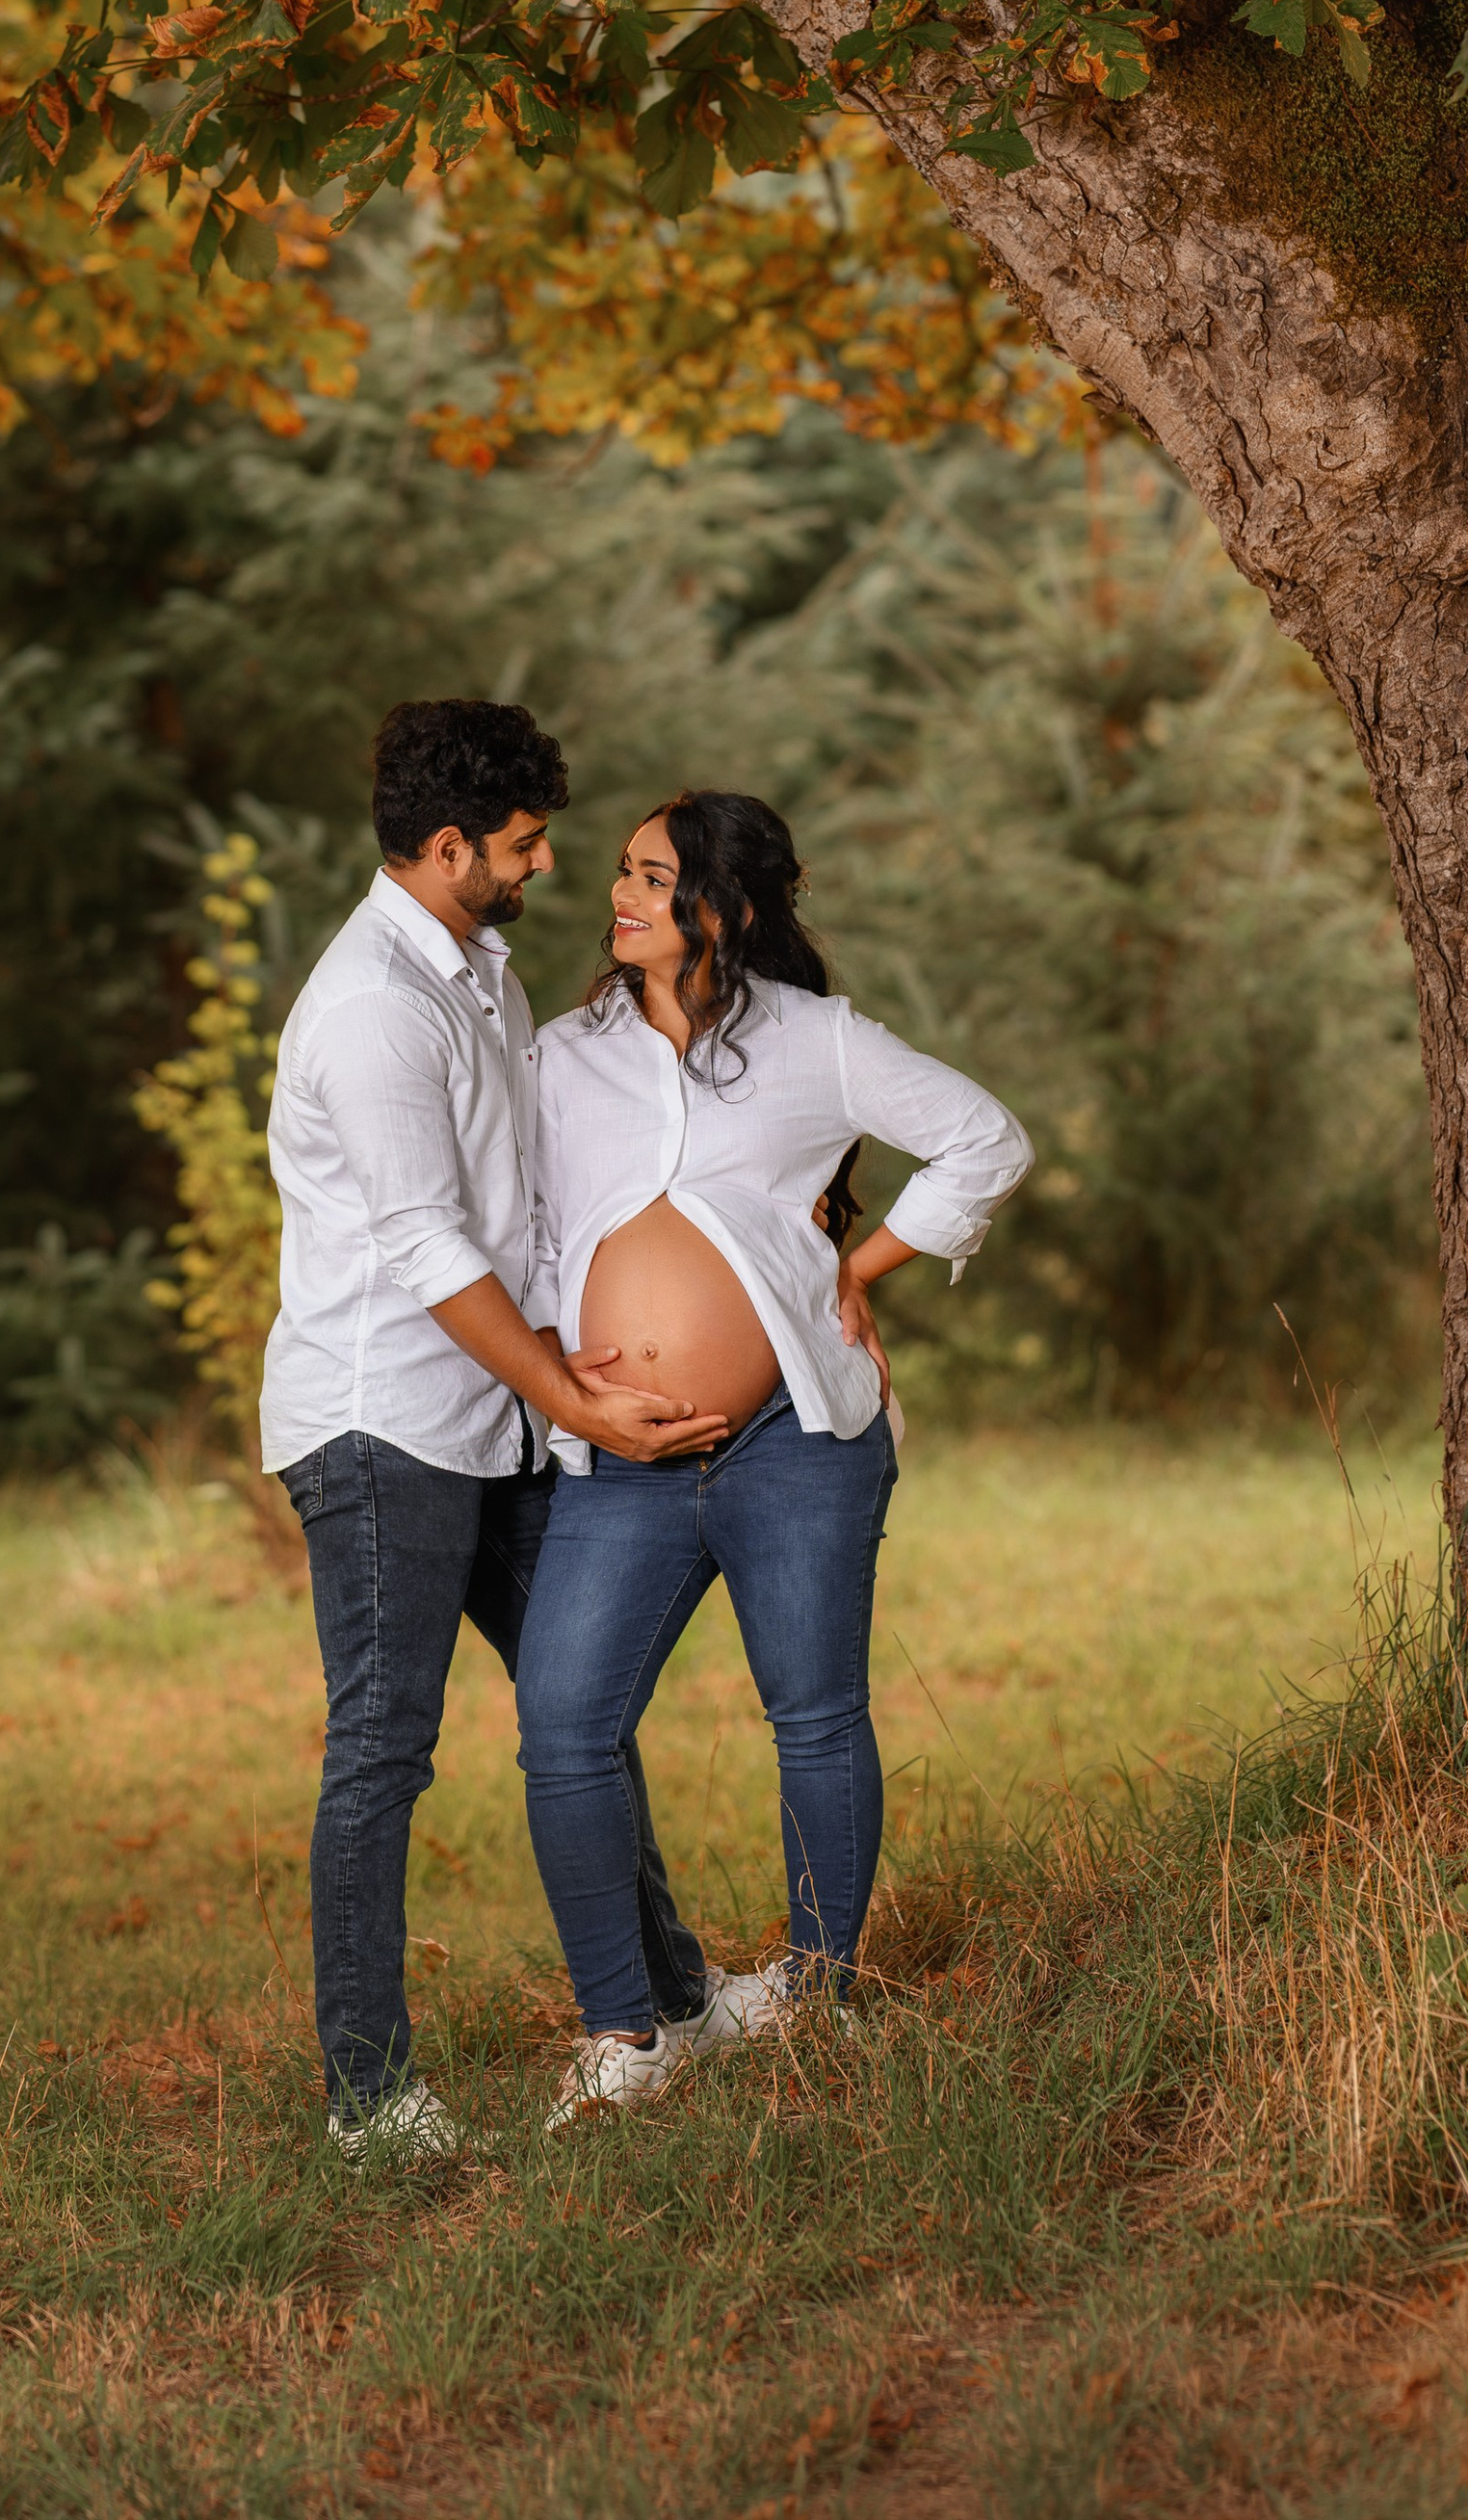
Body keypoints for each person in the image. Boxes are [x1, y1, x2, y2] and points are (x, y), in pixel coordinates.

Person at [264, 700, 768, 2160]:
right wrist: (575, 1399)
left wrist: (557, 1378)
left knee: (578, 1708)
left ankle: (672, 2005)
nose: (548, 868)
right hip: (381, 1429)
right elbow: (427, 1249)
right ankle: (368, 2096)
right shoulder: (371, 1007)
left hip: (495, 1420)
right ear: (446, 847)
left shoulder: (471, 965)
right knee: (384, 1748)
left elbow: (507, 1212)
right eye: (527, 844)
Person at [515, 790, 1032, 2127]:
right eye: (623, 874)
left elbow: (987, 1137)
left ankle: (818, 1989)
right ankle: (628, 2032)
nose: (620, 897)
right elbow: (509, 1231)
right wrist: (560, 1388)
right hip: (615, 1461)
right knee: (566, 1729)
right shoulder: (560, 1057)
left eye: (652, 877)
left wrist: (863, 1265)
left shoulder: (818, 1043)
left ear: (727, 910)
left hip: (797, 1441)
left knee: (813, 1716)